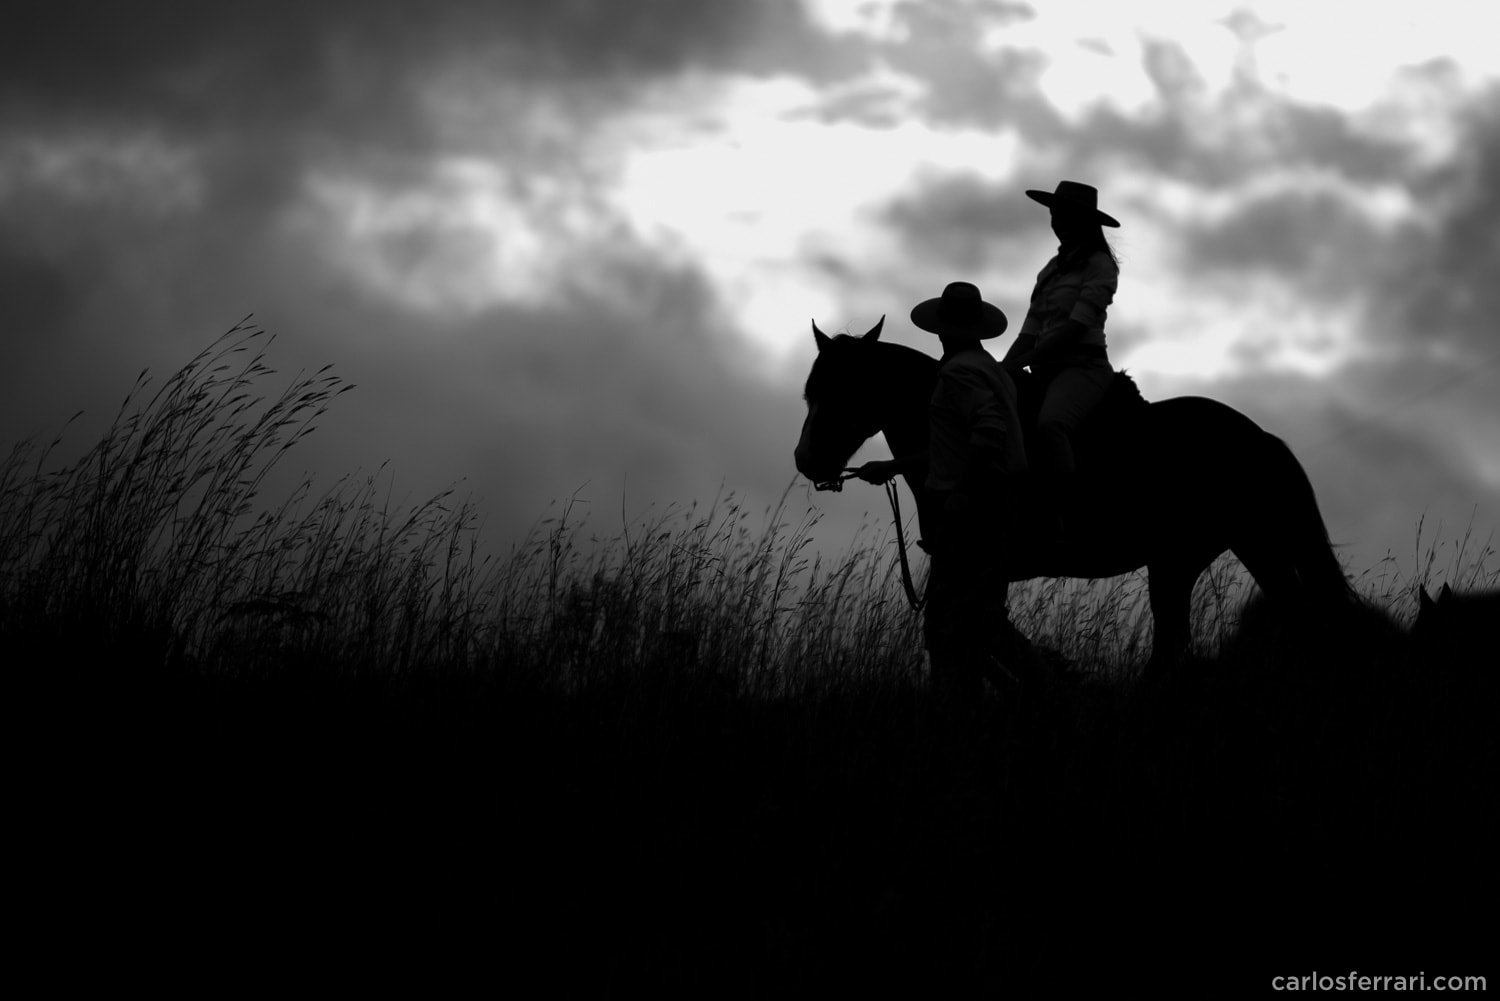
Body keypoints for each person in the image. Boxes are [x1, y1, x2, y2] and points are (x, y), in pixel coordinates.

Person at [863, 280, 1028, 698]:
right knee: (973, 620)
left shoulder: (957, 373)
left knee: (950, 624)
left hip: (970, 513)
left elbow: (988, 431)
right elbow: (953, 445)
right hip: (992, 507)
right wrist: (894, 466)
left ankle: (1047, 698)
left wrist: (960, 496)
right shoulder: (988, 367)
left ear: (940, 329)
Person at [1002, 180, 1121, 480]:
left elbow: (1075, 329)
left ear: (1084, 222)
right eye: (1056, 215)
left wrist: (1021, 362)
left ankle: (1066, 506)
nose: (1059, 222)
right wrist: (1002, 369)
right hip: (1044, 369)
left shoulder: (1100, 264)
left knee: (1051, 424)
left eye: (1066, 216)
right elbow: (1028, 332)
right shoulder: (1050, 270)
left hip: (1083, 368)